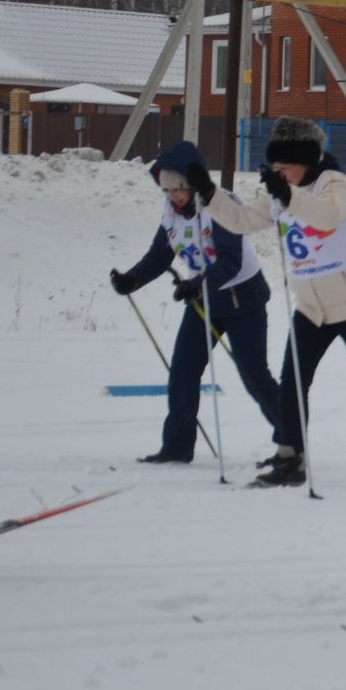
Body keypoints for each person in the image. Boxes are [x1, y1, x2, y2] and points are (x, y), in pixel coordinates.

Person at [191, 116, 346, 488]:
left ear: (307, 161)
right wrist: (209, 193)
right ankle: (290, 457)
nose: (281, 174)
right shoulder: (280, 191)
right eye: (277, 168)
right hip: (312, 308)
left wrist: (287, 196)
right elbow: (241, 221)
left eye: (287, 167)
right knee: (293, 381)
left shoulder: (333, 182)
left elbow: (330, 216)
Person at [108, 140, 280, 464]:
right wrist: (132, 280)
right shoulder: (171, 214)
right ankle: (176, 446)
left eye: (177, 190)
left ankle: (291, 440)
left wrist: (196, 285)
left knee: (254, 375)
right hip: (205, 301)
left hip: (243, 298)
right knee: (183, 371)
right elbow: (160, 255)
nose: (172, 197)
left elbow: (229, 261)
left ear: (190, 184)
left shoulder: (220, 206)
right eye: (166, 191)